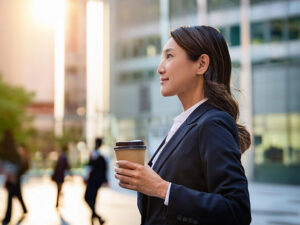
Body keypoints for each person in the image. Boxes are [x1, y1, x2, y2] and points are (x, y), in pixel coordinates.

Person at [114, 26, 252, 225]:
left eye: (169, 56)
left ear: (201, 64)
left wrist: (162, 188)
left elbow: (237, 210)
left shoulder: (212, 123)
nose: (160, 68)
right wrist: (142, 181)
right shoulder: (185, 123)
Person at [1, 130, 28, 225]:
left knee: (11, 195)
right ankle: (24, 210)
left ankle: (7, 218)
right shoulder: (14, 148)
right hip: (14, 176)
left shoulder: (5, 147)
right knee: (16, 194)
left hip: (12, 176)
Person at [84, 138, 107, 225]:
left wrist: (85, 178)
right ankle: (96, 219)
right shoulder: (101, 156)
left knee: (87, 198)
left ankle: (97, 218)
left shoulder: (95, 154)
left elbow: (89, 167)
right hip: (97, 181)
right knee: (92, 200)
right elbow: (104, 169)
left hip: (93, 181)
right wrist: (104, 180)